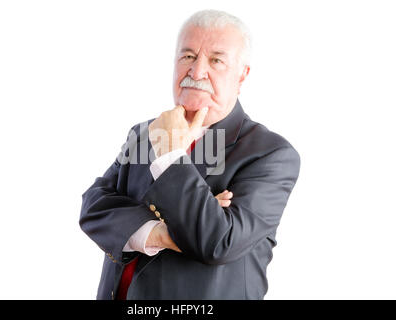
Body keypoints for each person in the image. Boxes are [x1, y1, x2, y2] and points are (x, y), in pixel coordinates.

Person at [80, 9, 300, 300]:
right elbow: (94, 206)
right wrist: (159, 232)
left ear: (242, 75)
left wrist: (171, 156)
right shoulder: (144, 132)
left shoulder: (271, 154)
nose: (196, 72)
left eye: (216, 60)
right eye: (188, 57)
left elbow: (218, 240)